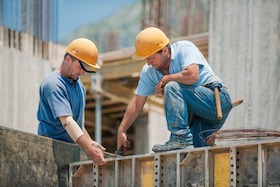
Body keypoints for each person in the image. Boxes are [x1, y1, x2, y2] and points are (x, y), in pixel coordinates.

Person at [117, 27, 232, 153]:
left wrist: (167, 78)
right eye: (146, 59)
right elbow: (137, 103)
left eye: (151, 58)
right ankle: (180, 140)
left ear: (164, 50)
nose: (148, 63)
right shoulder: (149, 71)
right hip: (197, 118)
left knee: (172, 86)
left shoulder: (184, 48)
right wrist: (122, 130)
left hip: (216, 101)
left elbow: (193, 75)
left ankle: (180, 138)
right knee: (196, 156)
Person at [37, 38, 106, 165]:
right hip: (50, 150)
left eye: (86, 69)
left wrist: (89, 142)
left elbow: (77, 123)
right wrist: (88, 149)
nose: (82, 72)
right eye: (81, 67)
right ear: (68, 59)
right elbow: (67, 121)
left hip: (69, 149)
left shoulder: (79, 85)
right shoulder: (53, 84)